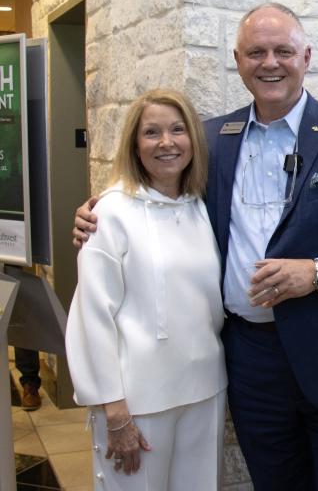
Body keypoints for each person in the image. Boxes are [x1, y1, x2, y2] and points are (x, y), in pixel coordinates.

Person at [75, 3, 318, 490]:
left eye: (283, 50)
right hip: (252, 360)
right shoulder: (213, 139)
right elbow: (165, 200)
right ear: (238, 61)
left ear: (306, 56)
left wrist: (317, 270)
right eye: (256, 52)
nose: (270, 62)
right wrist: (103, 210)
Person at [65, 89, 227, 489]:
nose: (167, 142)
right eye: (151, 132)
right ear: (135, 145)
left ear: (193, 139)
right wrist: (115, 412)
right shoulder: (110, 212)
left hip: (204, 389)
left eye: (177, 130)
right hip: (137, 400)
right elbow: (92, 317)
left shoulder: (199, 206)